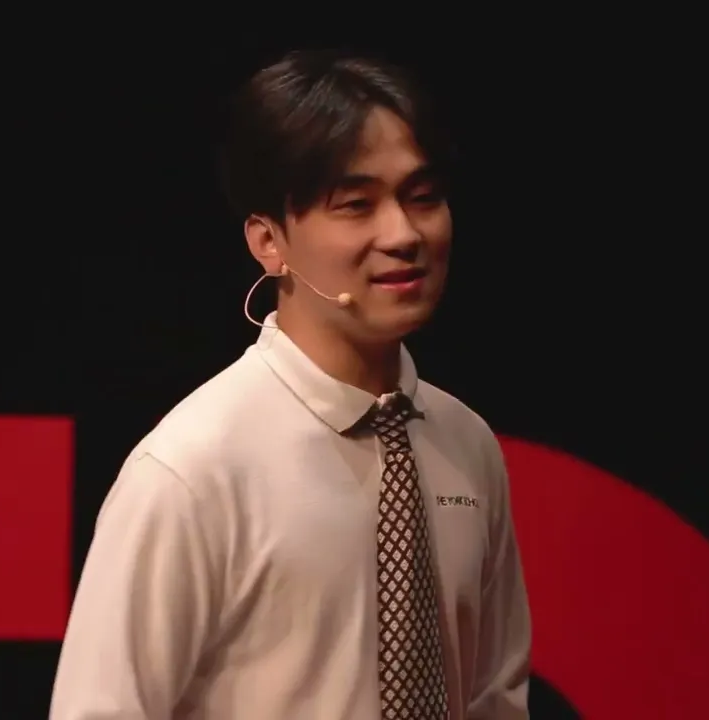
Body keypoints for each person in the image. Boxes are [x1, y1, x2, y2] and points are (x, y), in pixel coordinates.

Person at [50, 49, 531, 719]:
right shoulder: (195, 468)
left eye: (422, 197)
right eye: (356, 205)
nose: (403, 234)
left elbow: (495, 700)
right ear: (268, 241)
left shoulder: (467, 444)